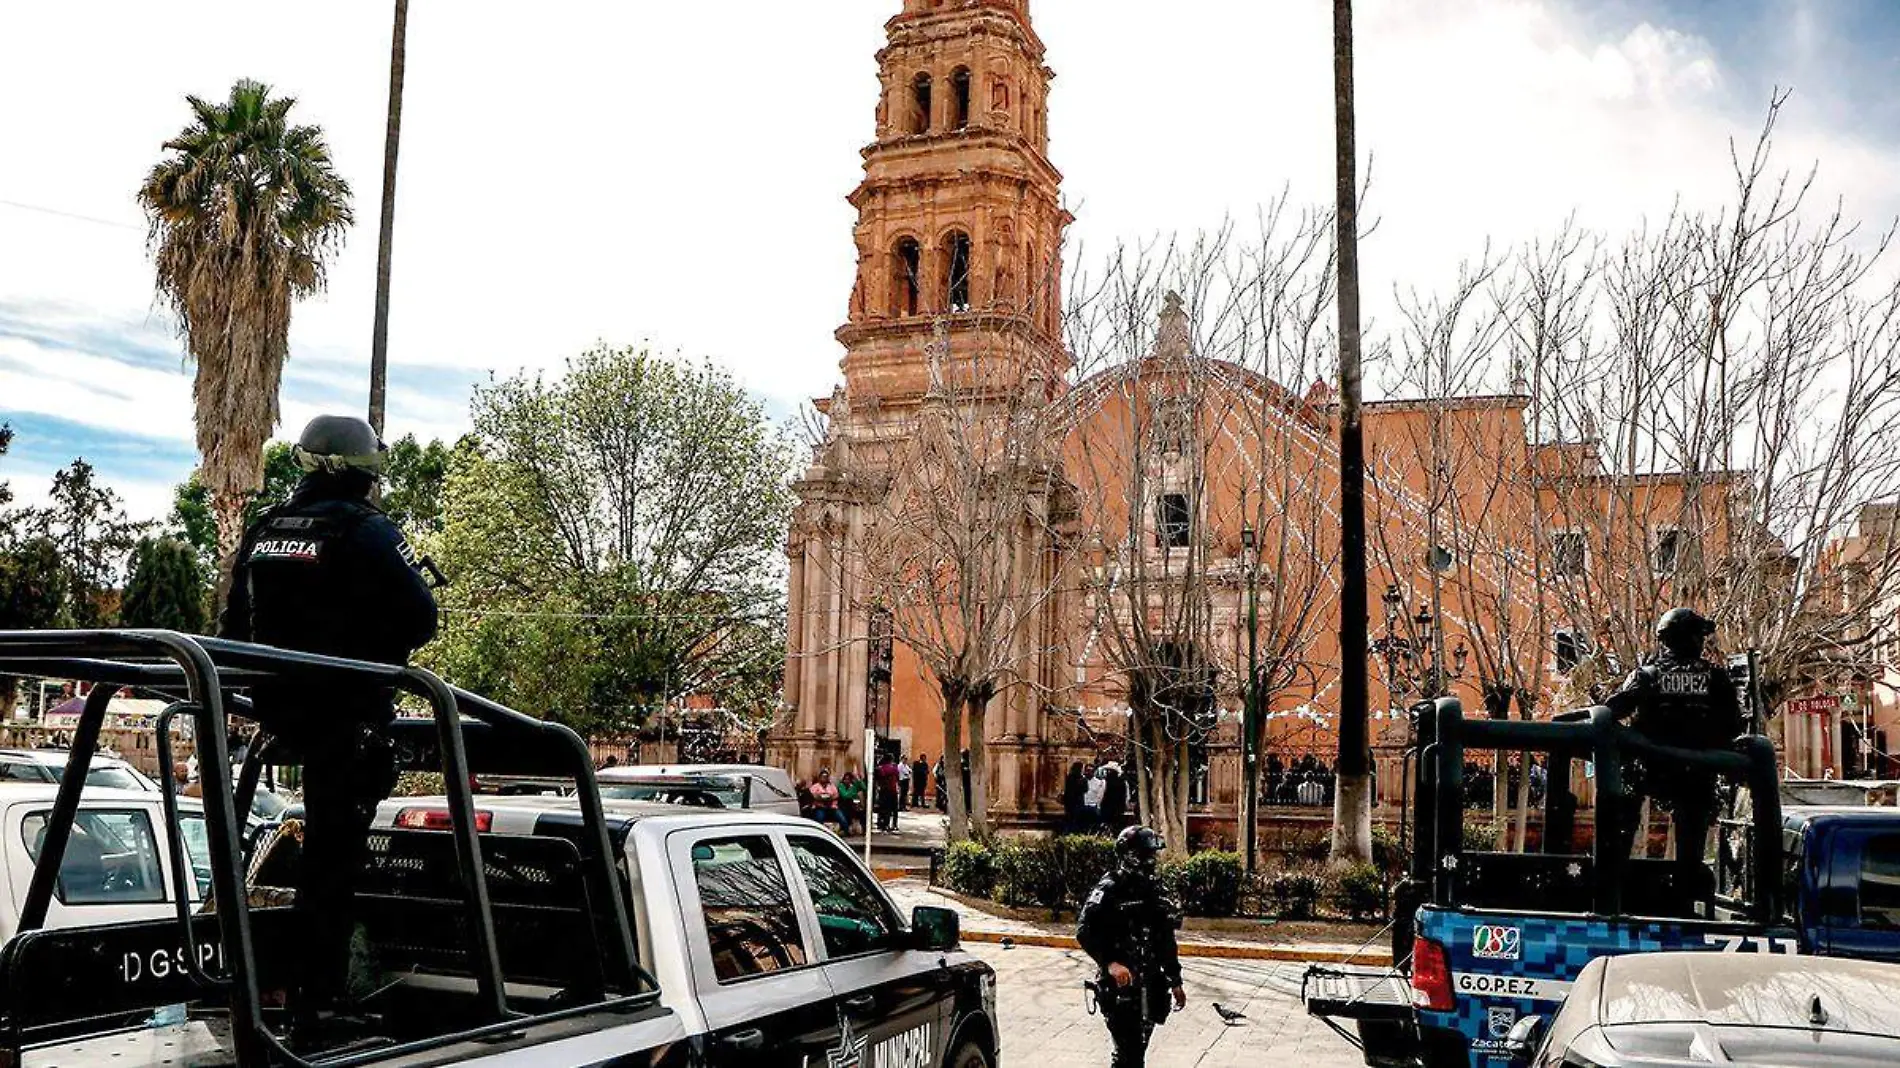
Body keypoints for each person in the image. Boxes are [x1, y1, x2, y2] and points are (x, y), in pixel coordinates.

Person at [220, 414, 438, 1025]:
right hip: (346, 716)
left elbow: (235, 626)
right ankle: (319, 1001)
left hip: (279, 713)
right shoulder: (367, 531)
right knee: (332, 864)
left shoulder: (265, 529)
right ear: (363, 473)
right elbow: (422, 618)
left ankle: (290, 992)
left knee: (315, 857)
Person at [1604, 607, 1748, 881]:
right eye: (1698, 636)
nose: (1702, 642)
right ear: (1690, 639)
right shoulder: (1716, 678)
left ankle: (1613, 878)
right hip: (1695, 772)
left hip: (1650, 769)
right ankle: (1686, 884)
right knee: (1691, 838)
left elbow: (1611, 711)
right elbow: (1733, 726)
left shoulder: (1646, 676)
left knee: (1622, 816)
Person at [1077, 826, 1186, 1068]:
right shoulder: (1109, 888)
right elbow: (1085, 931)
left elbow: (1165, 940)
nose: (1151, 861)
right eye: (1146, 855)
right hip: (1121, 989)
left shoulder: (1154, 889)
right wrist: (1110, 963)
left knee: (1136, 1054)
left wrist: (1175, 980)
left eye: (1152, 855)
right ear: (1129, 855)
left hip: (1151, 985)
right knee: (1129, 1055)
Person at [874, 752, 902, 832]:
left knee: (883, 808)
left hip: (883, 790)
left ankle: (882, 824)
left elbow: (878, 779)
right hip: (892, 790)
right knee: (894, 809)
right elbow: (897, 778)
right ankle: (894, 824)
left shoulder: (880, 768)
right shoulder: (894, 768)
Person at [1062, 761, 1089, 833]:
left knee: (1069, 818)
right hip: (1078, 801)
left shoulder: (1069, 777)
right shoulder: (1082, 779)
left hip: (1069, 801)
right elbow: (1085, 789)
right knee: (1076, 819)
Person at [837, 768, 864, 834]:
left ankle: (863, 829)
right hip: (843, 804)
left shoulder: (854, 785)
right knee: (847, 808)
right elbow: (845, 795)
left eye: (848, 779)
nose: (847, 781)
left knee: (861, 812)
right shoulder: (841, 785)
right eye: (845, 779)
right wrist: (852, 790)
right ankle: (846, 829)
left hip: (854, 803)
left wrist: (859, 780)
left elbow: (864, 789)